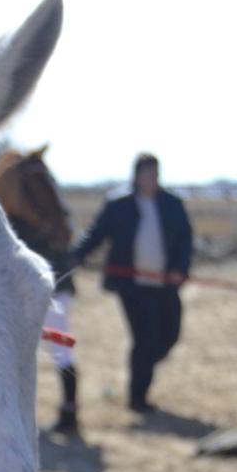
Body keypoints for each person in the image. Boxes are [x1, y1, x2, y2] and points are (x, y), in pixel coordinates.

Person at [71, 153, 192, 414]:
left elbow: (185, 240)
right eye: (146, 174)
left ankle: (144, 367)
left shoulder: (172, 204)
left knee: (170, 334)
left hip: (165, 283)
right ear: (136, 176)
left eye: (155, 174)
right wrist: (75, 255)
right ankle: (138, 398)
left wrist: (179, 270)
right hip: (133, 286)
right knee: (145, 339)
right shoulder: (119, 205)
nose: (151, 179)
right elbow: (96, 233)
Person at [0, 146, 80, 434]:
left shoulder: (37, 219)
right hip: (28, 291)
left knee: (58, 349)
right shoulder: (6, 222)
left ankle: (69, 410)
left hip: (51, 289)